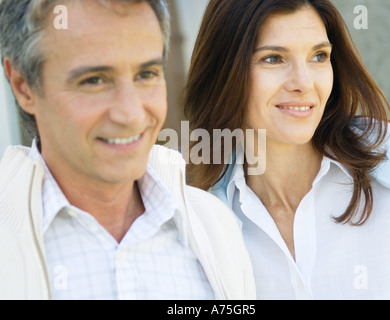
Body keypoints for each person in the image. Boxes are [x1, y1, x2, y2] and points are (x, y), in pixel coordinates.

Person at [0, 0, 255, 300]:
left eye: (146, 74)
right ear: (23, 86)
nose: (132, 114)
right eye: (94, 80)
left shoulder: (214, 225)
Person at [184, 0, 390, 299]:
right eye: (273, 58)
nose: (304, 82)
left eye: (319, 56)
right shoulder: (197, 225)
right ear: (223, 73)